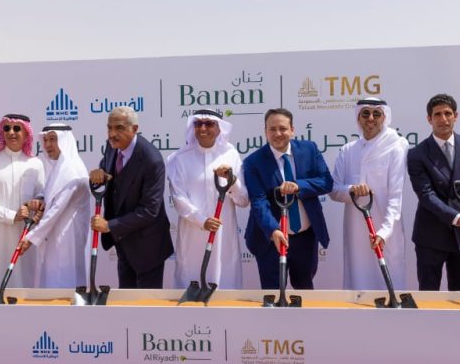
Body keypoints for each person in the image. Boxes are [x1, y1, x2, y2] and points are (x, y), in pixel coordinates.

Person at [243, 108, 333, 290]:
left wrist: (299, 186)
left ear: (292, 130)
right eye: (272, 129)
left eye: (283, 128)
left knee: (304, 290)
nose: (278, 134)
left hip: (305, 238)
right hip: (270, 240)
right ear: (265, 131)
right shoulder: (253, 162)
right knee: (273, 293)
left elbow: (326, 182)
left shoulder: (310, 149)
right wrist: (273, 230)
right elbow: (259, 202)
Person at [407, 94, 460, 291]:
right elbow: (426, 196)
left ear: (456, 116)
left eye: (448, 113)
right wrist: (458, 218)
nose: (443, 119)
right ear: (429, 119)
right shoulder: (417, 154)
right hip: (431, 236)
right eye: (437, 114)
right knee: (428, 297)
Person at [88, 106, 174, 289]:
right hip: (123, 243)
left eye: (119, 128)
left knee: (146, 304)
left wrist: (109, 226)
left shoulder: (152, 160)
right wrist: (98, 173)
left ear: (134, 129)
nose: (112, 134)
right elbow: (106, 173)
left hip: (148, 248)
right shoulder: (112, 147)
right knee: (125, 300)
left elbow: (149, 211)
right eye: (109, 128)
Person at [329, 98, 409, 290]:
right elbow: (333, 190)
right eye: (365, 113)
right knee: (358, 280)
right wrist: (351, 190)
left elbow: (395, 195)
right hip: (356, 230)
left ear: (385, 117)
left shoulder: (396, 146)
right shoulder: (348, 150)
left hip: (385, 230)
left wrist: (385, 232)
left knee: (390, 282)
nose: (371, 118)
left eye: (376, 113)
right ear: (358, 117)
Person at [166, 109, 250, 290]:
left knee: (225, 285)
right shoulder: (179, 158)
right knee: (190, 284)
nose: (203, 128)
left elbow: (243, 200)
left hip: (223, 236)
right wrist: (201, 220)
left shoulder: (231, 155)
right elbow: (178, 198)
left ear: (220, 128)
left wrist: (232, 181)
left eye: (209, 124)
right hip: (192, 235)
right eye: (198, 124)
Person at [0, 114, 45, 289]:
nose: (11, 132)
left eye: (17, 128)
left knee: (23, 286)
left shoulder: (35, 163)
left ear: (26, 133)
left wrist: (37, 203)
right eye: (7, 128)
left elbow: (41, 196)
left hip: (24, 236)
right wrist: (12, 216)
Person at [19, 124, 91, 292]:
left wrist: (30, 238)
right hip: (55, 235)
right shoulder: (59, 167)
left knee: (66, 283)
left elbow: (56, 209)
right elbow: (48, 192)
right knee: (52, 282)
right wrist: (39, 199)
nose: (48, 145)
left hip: (69, 237)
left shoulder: (71, 171)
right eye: (45, 140)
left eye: (53, 139)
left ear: (64, 141)